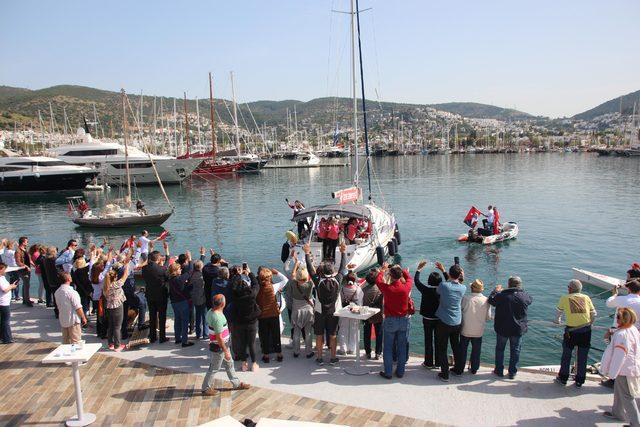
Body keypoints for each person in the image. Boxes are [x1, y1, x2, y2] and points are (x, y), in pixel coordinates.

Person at [305, 242, 347, 365]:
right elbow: (343, 268)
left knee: (319, 335)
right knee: (333, 335)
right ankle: (333, 358)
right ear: (332, 271)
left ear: (322, 271)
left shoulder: (318, 281)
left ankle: (319, 358)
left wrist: (307, 253)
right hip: (333, 312)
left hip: (319, 312)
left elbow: (309, 268)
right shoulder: (338, 280)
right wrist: (343, 252)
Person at [201, 294, 251, 397]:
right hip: (220, 347)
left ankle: (236, 384)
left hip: (221, 345)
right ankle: (206, 388)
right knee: (214, 368)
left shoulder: (211, 312)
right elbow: (219, 337)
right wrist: (226, 351)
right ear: (222, 304)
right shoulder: (218, 318)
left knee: (230, 365)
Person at [553, 279, 597, 387]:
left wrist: (557, 321)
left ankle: (563, 378)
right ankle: (580, 380)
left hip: (571, 332)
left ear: (570, 288)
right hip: (586, 331)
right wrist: (590, 323)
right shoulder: (586, 297)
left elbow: (559, 312)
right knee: (582, 356)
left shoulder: (565, 298)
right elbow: (594, 314)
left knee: (566, 355)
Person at [601, 308, 640, 426]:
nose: (616, 318)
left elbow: (619, 356)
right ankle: (617, 412)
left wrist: (611, 373)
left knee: (627, 396)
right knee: (619, 391)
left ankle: (636, 423)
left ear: (623, 319)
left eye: (618, 316)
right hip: (630, 367)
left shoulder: (622, 335)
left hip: (625, 370)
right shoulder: (632, 329)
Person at [488, 276, 533, 379]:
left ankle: (499, 370)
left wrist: (495, 291)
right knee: (515, 350)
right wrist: (520, 290)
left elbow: (490, 300)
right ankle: (512, 372)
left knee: (500, 349)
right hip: (517, 329)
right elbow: (530, 299)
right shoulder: (524, 296)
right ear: (519, 285)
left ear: (508, 285)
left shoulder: (501, 296)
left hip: (502, 328)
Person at [376, 263, 413, 379]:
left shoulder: (387, 288)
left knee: (387, 347)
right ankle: (400, 372)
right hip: (404, 320)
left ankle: (388, 372)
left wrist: (382, 270)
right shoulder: (406, 287)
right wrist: (402, 270)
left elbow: (378, 280)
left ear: (391, 276)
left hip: (390, 320)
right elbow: (409, 278)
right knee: (401, 347)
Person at [435, 264, 466, 382]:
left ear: (449, 273)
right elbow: (458, 281)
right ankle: (458, 370)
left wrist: (444, 272)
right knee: (455, 346)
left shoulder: (443, 285)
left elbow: (439, 291)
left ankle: (445, 374)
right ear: (460, 275)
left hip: (444, 321)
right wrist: (445, 271)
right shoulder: (463, 288)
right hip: (457, 321)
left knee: (442, 348)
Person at [454, 279, 492, 375]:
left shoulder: (465, 298)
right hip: (478, 330)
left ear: (471, 288)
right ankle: (474, 368)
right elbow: (488, 317)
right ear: (481, 289)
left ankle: (459, 369)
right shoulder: (486, 300)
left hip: (465, 329)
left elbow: (460, 311)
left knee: (462, 350)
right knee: (476, 350)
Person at [415, 261, 447, 368]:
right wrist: (443, 270)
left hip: (427, 319)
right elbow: (450, 281)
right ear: (440, 282)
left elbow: (416, 281)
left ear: (429, 280)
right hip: (439, 319)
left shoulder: (425, 290)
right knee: (438, 341)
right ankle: (438, 363)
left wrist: (419, 269)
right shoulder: (443, 290)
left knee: (428, 341)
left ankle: (428, 363)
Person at [230, 266, 261, 371]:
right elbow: (256, 284)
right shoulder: (251, 295)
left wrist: (238, 275)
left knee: (242, 343)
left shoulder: (235, 295)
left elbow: (233, 285)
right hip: (252, 322)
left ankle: (244, 364)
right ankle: (254, 364)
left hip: (239, 322)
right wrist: (249, 273)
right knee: (251, 344)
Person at [256, 267, 288, 363]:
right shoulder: (274, 287)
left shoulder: (256, 288)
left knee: (264, 336)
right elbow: (285, 280)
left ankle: (266, 356)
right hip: (274, 315)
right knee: (276, 335)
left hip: (262, 316)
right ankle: (279, 354)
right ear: (269, 278)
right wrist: (277, 272)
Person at [285, 260, 315, 359]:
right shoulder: (310, 284)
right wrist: (312, 264)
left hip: (296, 310)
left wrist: (296, 264)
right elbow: (313, 274)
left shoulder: (293, 283)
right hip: (308, 310)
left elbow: (293, 274)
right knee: (308, 332)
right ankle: (308, 352)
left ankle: (296, 352)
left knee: (296, 331)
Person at [142, 243, 170, 343]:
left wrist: (151, 249)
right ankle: (162, 337)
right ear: (158, 259)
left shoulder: (144, 269)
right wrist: (167, 251)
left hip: (150, 295)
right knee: (162, 317)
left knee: (152, 316)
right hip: (161, 296)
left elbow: (150, 260)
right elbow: (167, 265)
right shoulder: (162, 269)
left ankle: (153, 336)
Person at [55, 271, 87, 344]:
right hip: (73, 319)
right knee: (76, 341)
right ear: (68, 279)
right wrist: (83, 317)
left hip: (63, 319)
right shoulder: (72, 292)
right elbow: (78, 307)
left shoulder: (57, 292)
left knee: (65, 341)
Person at [168, 261, 194, 347]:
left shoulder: (170, 279)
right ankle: (184, 341)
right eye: (179, 269)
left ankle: (177, 339)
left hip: (174, 303)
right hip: (182, 302)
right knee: (185, 322)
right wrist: (190, 260)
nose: (181, 269)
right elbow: (190, 271)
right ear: (175, 270)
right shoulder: (179, 279)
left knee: (177, 321)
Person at [338, 271, 363, 355]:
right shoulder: (357, 289)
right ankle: (352, 348)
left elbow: (340, 300)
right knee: (354, 330)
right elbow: (360, 301)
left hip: (344, 311)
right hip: (355, 311)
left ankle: (343, 348)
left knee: (343, 330)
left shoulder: (342, 289)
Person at [362, 269, 383, 360]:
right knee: (379, 334)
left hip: (366, 314)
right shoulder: (380, 289)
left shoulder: (363, 290)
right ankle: (378, 353)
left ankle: (368, 352)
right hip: (378, 314)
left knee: (367, 334)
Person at [190, 260, 209, 340]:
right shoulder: (203, 276)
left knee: (198, 316)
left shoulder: (192, 275)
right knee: (205, 316)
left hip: (195, 297)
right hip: (203, 297)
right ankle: (205, 334)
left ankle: (198, 334)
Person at [0, 263, 18, 344]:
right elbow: (4, 289)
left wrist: (10, 285)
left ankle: (3, 337)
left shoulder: (2, 278)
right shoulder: (0, 279)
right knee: (5, 321)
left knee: (3, 321)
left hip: (3, 302)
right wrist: (12, 287)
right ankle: (7, 339)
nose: (5, 271)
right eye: (4, 269)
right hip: (3, 303)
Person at [14, 236, 33, 306]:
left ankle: (25, 299)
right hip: (23, 270)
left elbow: (29, 259)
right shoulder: (18, 251)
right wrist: (26, 266)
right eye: (26, 241)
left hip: (27, 270)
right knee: (27, 285)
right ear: (23, 242)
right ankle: (27, 301)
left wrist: (33, 264)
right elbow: (18, 262)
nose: (27, 242)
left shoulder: (25, 249)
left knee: (26, 285)